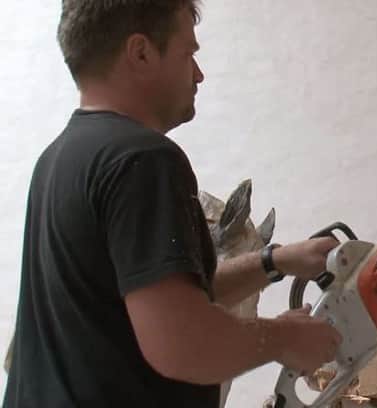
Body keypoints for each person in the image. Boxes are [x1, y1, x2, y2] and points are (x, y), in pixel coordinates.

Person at [3, 1, 342, 407]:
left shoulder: (60, 159)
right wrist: (285, 337)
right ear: (141, 53)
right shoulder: (142, 159)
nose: (199, 74)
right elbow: (181, 341)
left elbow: (163, 298)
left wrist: (275, 262)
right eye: (188, 53)